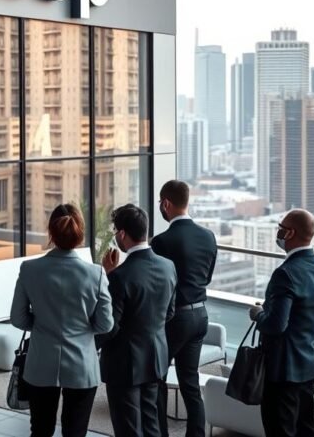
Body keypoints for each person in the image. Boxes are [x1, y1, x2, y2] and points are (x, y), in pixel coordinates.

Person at [11, 203, 113, 437]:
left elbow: (18, 317)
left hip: (41, 362)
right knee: (75, 432)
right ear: (80, 234)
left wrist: (40, 325)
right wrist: (84, 327)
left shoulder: (29, 269)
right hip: (81, 365)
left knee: (40, 430)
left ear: (51, 232)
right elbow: (105, 324)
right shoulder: (96, 273)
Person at [248, 209, 314, 437]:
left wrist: (258, 314)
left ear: (290, 233)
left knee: (280, 429)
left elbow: (276, 325)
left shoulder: (285, 273)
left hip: (284, 367)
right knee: (306, 426)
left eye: (281, 228)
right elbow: (302, 314)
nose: (278, 232)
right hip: (311, 360)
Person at [98, 204, 177, 437]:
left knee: (128, 428)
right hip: (156, 357)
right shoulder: (168, 266)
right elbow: (170, 312)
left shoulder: (120, 276)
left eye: (116, 231)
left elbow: (110, 326)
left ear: (122, 234)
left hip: (124, 364)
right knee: (151, 424)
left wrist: (107, 276)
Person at [151, 180, 217, 437]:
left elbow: (158, 285)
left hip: (174, 319)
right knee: (190, 381)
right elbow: (207, 278)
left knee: (156, 377)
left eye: (160, 203)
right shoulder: (208, 236)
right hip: (200, 315)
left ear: (166, 203)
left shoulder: (161, 241)